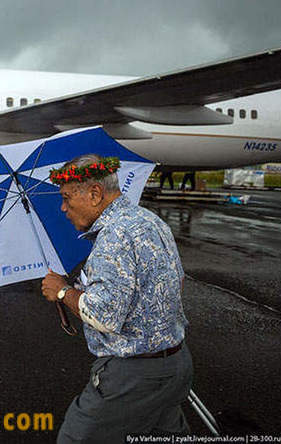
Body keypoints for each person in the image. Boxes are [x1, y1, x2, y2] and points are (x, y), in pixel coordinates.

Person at [42, 154, 192, 443]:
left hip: (133, 376)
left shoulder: (114, 235)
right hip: (175, 365)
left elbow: (104, 317)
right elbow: (176, 281)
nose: (63, 208)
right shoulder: (149, 220)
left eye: (66, 198)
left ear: (95, 193)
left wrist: (62, 291)